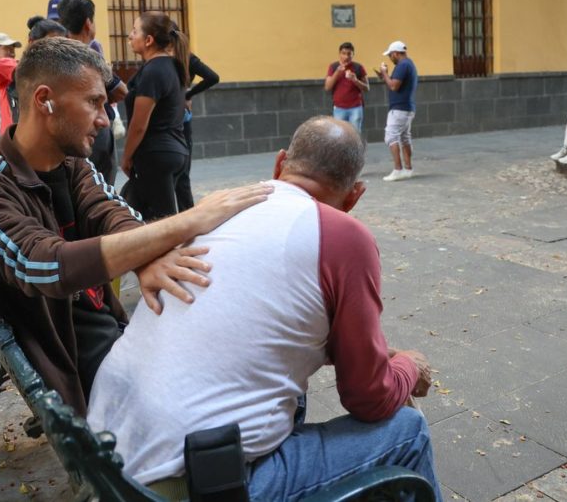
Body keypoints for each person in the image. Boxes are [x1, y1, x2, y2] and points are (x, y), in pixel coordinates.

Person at [88, 116, 441, 501]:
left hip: (108, 455)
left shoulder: (219, 206)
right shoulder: (345, 236)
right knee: (408, 429)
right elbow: (368, 397)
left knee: (294, 399)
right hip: (183, 485)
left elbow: (251, 323)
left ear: (279, 164)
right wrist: (409, 366)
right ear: (354, 196)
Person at [0, 37, 270, 414]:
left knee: (255, 349)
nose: (104, 118)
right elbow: (47, 265)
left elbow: (111, 212)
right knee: (257, 381)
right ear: (44, 99)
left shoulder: (72, 166)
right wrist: (190, 220)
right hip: (86, 381)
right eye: (94, 102)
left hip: (121, 343)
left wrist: (145, 258)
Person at [121, 12, 191, 220]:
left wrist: (126, 157)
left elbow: (139, 124)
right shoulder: (172, 66)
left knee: (163, 223)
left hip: (156, 155)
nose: (130, 36)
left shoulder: (154, 71)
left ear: (149, 40)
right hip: (174, 152)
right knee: (135, 212)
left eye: (135, 31)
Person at [55, 0, 127, 184]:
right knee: (99, 188)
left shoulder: (54, 55)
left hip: (64, 133)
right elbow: (121, 91)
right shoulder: (89, 56)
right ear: (88, 23)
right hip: (94, 133)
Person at [173, 21, 219, 211]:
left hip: (169, 120)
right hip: (184, 118)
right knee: (183, 176)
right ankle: (187, 215)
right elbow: (213, 77)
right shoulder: (188, 57)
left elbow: (213, 77)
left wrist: (186, 94)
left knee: (173, 177)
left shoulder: (164, 60)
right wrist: (188, 94)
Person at [375, 40, 419, 182]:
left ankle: (398, 170)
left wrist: (385, 73)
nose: (390, 58)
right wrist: (385, 77)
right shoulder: (409, 64)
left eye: (390, 55)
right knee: (405, 137)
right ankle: (408, 169)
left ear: (395, 53)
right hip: (407, 107)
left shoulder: (402, 65)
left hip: (399, 108)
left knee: (390, 136)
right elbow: (395, 83)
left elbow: (394, 86)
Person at [324, 41, 369, 133]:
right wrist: (337, 73)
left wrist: (355, 80)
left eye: (349, 54)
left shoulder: (358, 67)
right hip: (339, 108)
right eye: (344, 53)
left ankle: (356, 148)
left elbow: (367, 88)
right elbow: (327, 87)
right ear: (339, 54)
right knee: (340, 135)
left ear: (353, 54)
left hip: (356, 107)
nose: (346, 57)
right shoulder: (333, 67)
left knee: (355, 135)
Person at [0, 32, 23, 138]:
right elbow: (26, 71)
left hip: (7, 131)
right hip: (11, 131)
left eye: (13, 50)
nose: (12, 53)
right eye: (8, 49)